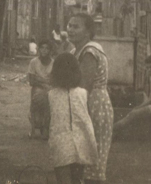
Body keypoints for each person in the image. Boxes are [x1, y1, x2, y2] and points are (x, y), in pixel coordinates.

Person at [66, 13, 114, 183]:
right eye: (69, 25)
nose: (70, 29)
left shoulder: (90, 51)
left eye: (76, 26)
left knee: (92, 159)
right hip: (83, 103)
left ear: (88, 32)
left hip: (94, 105)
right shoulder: (75, 51)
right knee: (80, 157)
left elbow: (83, 86)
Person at [48, 53, 98, 184]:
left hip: (61, 144)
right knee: (77, 179)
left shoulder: (51, 95)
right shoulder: (83, 93)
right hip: (80, 143)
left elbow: (49, 120)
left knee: (63, 180)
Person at [27, 39, 54, 138]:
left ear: (50, 50)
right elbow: (31, 81)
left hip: (49, 89)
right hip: (38, 88)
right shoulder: (34, 62)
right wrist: (44, 83)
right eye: (42, 48)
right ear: (39, 49)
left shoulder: (53, 63)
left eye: (47, 48)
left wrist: (40, 80)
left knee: (49, 97)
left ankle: (45, 127)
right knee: (39, 95)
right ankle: (34, 128)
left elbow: (53, 81)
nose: (44, 50)